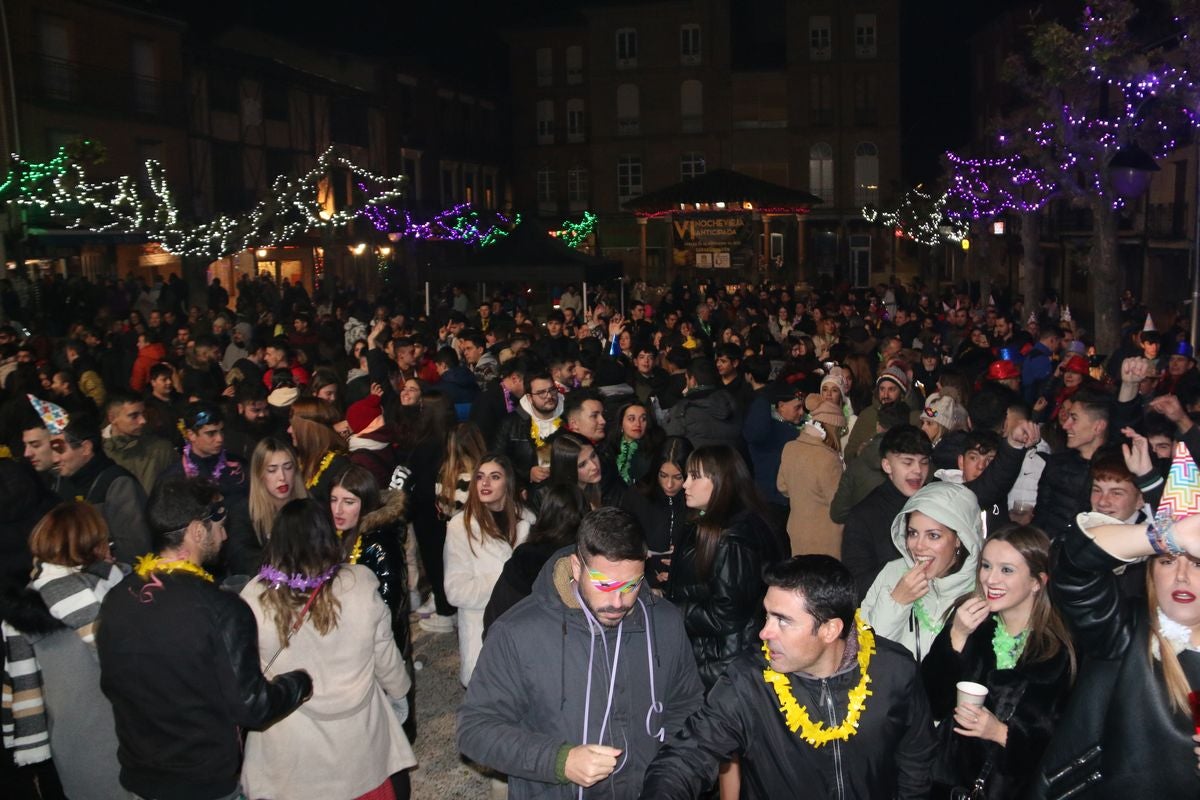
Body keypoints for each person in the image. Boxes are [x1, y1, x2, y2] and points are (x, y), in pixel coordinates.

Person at [639, 555, 936, 799]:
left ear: (830, 630)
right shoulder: (750, 679)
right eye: (767, 615)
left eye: (783, 621)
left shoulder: (895, 669)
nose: (764, 632)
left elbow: (916, 764)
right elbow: (687, 756)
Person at [458, 506, 704, 798]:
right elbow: (474, 730)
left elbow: (687, 707)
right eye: (604, 583)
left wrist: (670, 778)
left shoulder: (664, 622)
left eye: (631, 585)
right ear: (576, 567)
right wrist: (560, 761)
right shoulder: (516, 633)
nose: (618, 601)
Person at [96, 478, 311, 800]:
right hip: (204, 783)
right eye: (220, 526)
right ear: (198, 530)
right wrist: (299, 683)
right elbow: (252, 707)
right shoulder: (222, 609)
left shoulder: (115, 600)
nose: (224, 535)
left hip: (140, 781)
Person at [240, 498, 415, 800]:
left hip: (289, 751)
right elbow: (386, 657)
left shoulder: (254, 597)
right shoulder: (360, 583)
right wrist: (401, 696)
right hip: (359, 743)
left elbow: (246, 671)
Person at [1033, 506, 1200, 796]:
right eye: (1167, 561)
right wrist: (1168, 536)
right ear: (1150, 572)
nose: (1181, 576)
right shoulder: (1124, 629)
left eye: (1198, 564)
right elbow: (1073, 563)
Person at [920, 525, 1075, 799]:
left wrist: (1000, 733)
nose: (991, 579)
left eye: (1007, 570)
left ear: (1037, 581)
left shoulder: (1058, 650)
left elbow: (1065, 743)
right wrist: (957, 634)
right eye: (986, 566)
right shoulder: (970, 622)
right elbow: (931, 702)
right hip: (948, 786)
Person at [0, 502, 124, 800]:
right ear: (91, 544)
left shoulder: (29, 603)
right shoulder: (102, 593)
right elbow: (129, 667)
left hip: (69, 743)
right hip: (111, 737)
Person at [668, 444, 786, 690]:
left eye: (695, 477)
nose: (685, 485)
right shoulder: (718, 524)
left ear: (722, 481)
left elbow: (728, 613)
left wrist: (672, 611)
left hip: (723, 662)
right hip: (717, 658)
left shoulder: (733, 537)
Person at [862, 481, 984, 661]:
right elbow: (865, 655)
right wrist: (896, 602)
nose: (918, 546)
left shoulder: (983, 586)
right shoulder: (893, 573)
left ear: (959, 538)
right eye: (912, 533)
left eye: (933, 535)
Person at [442, 453, 536, 686]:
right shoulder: (460, 527)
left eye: (494, 477)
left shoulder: (528, 521)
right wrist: (508, 579)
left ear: (508, 483)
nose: (485, 483)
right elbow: (455, 591)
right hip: (483, 631)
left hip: (525, 627)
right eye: (480, 477)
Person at [483, 483, 589, 634]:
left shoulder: (523, 558)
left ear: (545, 513)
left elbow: (495, 614)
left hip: (514, 643)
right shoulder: (586, 561)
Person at [51, 413, 151, 562]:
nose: (54, 458)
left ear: (85, 448)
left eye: (60, 449)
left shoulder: (118, 484)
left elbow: (135, 549)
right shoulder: (60, 483)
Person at [777, 395, 847, 558]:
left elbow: (782, 487)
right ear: (832, 428)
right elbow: (839, 505)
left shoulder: (790, 448)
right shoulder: (828, 458)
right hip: (826, 539)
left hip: (797, 531)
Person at [494, 368, 564, 488]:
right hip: (527, 492)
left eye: (552, 390)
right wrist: (527, 474)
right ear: (530, 398)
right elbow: (498, 460)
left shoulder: (568, 416)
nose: (549, 396)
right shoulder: (511, 423)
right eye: (541, 392)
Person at [102, 390, 175, 494]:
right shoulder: (97, 453)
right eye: (134, 416)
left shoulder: (161, 449)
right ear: (112, 418)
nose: (142, 421)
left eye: (143, 414)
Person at [247, 436, 308, 552]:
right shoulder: (245, 515)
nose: (282, 477)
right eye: (272, 470)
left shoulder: (311, 508)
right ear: (259, 475)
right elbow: (245, 560)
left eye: (288, 467)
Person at [288, 397, 351, 500]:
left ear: (309, 430)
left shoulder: (339, 466)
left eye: (293, 425)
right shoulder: (301, 459)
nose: (289, 430)